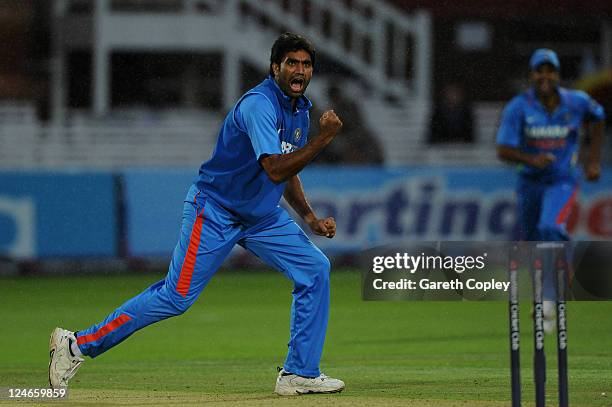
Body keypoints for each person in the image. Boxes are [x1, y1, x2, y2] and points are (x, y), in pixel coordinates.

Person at [48, 32, 345, 396]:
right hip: (216, 211)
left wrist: (309, 217)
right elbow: (275, 168)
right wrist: (323, 140)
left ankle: (299, 372)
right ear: (275, 67)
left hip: (261, 217)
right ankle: (76, 345)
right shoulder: (259, 105)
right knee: (176, 297)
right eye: (292, 63)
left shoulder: (300, 109)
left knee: (315, 269)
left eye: (306, 64)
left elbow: (288, 170)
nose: (300, 70)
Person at [496, 48, 606, 330]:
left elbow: (599, 117)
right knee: (533, 242)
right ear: (532, 75)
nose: (544, 76)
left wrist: (593, 160)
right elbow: (503, 150)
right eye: (539, 70)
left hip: (562, 180)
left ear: (557, 74)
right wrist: (531, 159)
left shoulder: (576, 102)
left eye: (550, 70)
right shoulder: (518, 107)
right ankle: (543, 301)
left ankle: (553, 294)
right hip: (530, 182)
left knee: (550, 226)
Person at [315, 84, 384, 164]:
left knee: (369, 143)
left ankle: (371, 163)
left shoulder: (350, 106)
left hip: (354, 133)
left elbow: (355, 121)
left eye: (336, 96)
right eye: (334, 97)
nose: (336, 99)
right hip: (342, 136)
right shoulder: (330, 110)